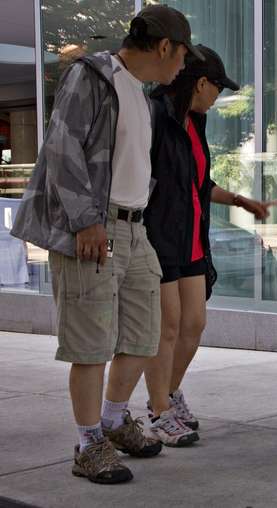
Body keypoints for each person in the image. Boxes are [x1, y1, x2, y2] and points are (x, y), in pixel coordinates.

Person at [10, 5, 203, 484]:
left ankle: (115, 421)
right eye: (182, 55)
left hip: (136, 229)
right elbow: (61, 148)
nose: (184, 67)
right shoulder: (91, 76)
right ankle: (88, 441)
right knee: (91, 342)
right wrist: (84, 221)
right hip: (95, 228)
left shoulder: (139, 93)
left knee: (144, 334)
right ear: (164, 47)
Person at [142, 45, 276, 445]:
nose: (219, 98)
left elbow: (200, 183)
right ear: (201, 83)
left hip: (192, 237)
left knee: (194, 324)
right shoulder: (155, 116)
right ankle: (159, 411)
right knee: (165, 328)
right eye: (218, 88)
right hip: (159, 235)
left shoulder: (194, 123)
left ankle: (169, 392)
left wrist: (240, 200)